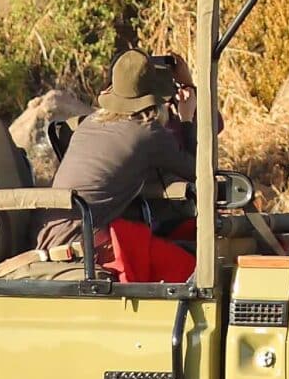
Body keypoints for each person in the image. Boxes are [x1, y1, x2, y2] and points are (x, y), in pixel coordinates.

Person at [37, 50, 196, 256]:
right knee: (187, 264)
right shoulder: (147, 132)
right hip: (84, 243)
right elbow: (197, 170)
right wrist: (187, 118)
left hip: (50, 235)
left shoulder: (88, 123)